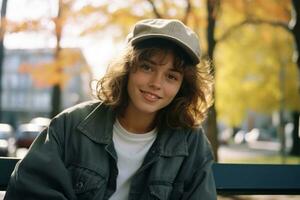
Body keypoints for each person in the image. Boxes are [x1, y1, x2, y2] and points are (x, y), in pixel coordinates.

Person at [5, 18, 217, 200]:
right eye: (147, 67)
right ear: (127, 69)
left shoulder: (192, 143)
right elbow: (28, 191)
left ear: (183, 87)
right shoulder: (71, 126)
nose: (156, 83)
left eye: (171, 76)